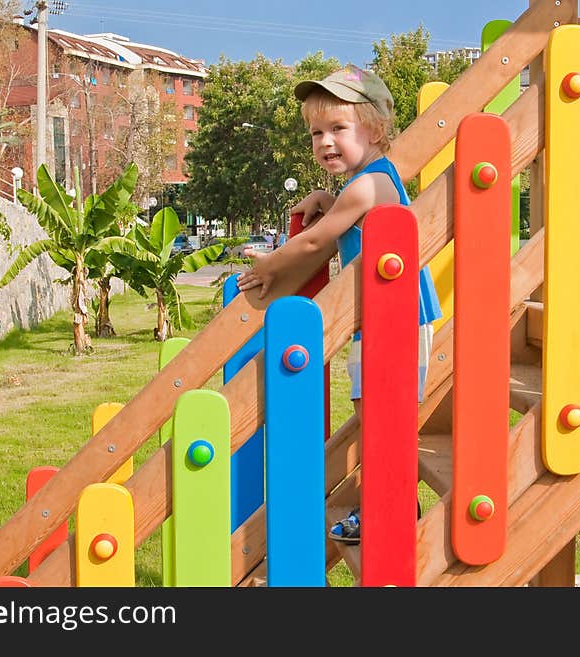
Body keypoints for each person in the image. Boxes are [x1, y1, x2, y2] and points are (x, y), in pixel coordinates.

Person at [236, 64, 442, 544]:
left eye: (338, 129)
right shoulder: (366, 182)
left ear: (373, 129)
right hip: (379, 320)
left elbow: (315, 244)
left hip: (397, 320)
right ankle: (394, 505)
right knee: (371, 408)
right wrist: (325, 199)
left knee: (382, 414)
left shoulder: (371, 184)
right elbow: (346, 221)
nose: (325, 142)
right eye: (316, 133)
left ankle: (391, 508)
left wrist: (268, 265)